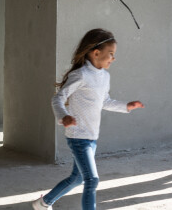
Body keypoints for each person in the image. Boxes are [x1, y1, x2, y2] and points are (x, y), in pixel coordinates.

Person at [32, 29, 144, 210]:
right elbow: (58, 98)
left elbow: (105, 101)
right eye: (111, 54)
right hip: (78, 137)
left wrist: (126, 106)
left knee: (77, 178)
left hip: (92, 137)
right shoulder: (81, 75)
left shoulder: (105, 77)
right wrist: (63, 116)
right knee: (92, 180)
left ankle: (43, 203)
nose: (113, 59)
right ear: (96, 53)